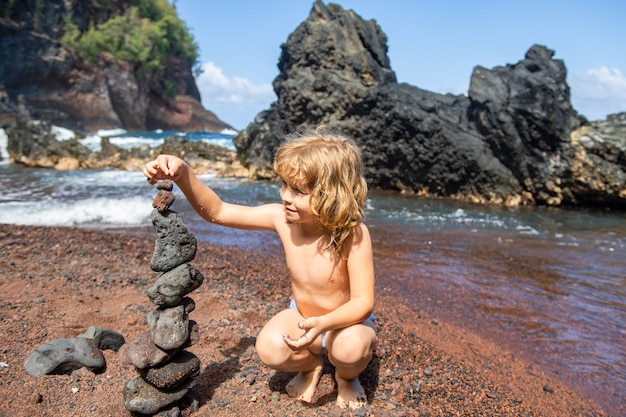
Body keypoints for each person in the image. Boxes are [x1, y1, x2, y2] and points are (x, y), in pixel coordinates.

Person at [143, 129, 376, 409]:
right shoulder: (282, 219)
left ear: (332, 194)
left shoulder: (354, 234)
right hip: (302, 317)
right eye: (284, 185)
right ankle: (311, 365)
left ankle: (347, 378)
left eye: (299, 190)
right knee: (268, 349)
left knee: (351, 350)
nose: (286, 196)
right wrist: (182, 174)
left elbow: (363, 302)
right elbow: (218, 211)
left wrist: (325, 324)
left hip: (345, 325)